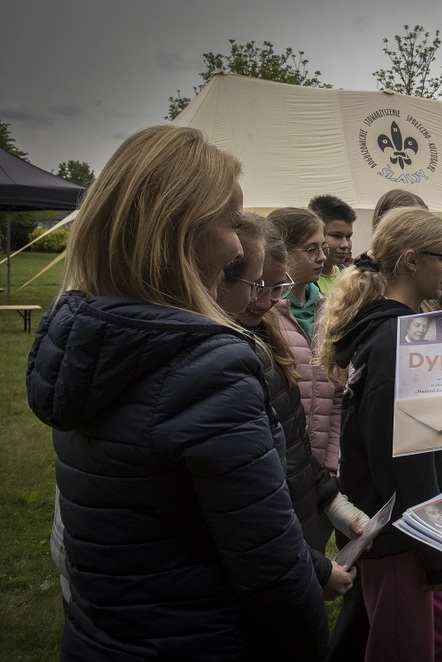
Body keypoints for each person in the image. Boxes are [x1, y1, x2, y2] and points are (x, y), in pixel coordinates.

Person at [25, 125, 329, 660]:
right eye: (233, 225)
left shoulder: (85, 342)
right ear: (181, 233)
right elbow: (270, 567)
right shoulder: (209, 365)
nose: (240, 246)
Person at [315, 206, 442, 661]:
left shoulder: (411, 332)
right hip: (404, 533)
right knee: (402, 649)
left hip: (431, 519)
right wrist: (431, 553)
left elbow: (437, 428)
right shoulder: (391, 342)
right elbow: (398, 458)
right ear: (411, 260)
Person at [216, 211, 367, 602]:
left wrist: (329, 491)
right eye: (258, 287)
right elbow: (248, 506)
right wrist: (313, 569)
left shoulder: (263, 338)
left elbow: (297, 426)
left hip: (308, 484)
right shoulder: (230, 356)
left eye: (276, 289)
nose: (265, 301)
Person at [269, 206, 342, 476]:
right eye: (311, 249)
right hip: (279, 467)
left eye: (324, 247)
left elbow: (337, 397)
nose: (323, 257)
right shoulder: (265, 316)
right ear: (282, 252)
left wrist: (331, 462)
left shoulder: (330, 314)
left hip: (322, 469)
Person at [308, 194, 357, 295]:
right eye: (336, 236)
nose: (345, 245)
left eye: (348, 236)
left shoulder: (350, 278)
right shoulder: (304, 283)